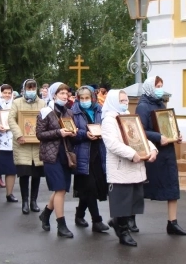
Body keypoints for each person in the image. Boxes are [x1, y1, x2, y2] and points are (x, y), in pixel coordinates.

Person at [101, 89, 158, 247]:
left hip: (136, 165)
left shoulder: (129, 116)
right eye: (121, 100)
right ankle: (123, 231)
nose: (125, 102)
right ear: (113, 101)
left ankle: (118, 223)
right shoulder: (109, 120)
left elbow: (140, 137)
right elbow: (112, 143)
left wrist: (152, 149)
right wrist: (132, 153)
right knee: (122, 201)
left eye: (126, 100)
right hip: (121, 167)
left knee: (133, 200)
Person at [135, 76, 186, 235]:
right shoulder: (143, 106)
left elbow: (168, 125)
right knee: (142, 189)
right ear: (150, 87)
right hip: (153, 153)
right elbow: (140, 130)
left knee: (172, 187)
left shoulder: (161, 104)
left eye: (161, 85)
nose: (160, 89)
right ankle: (128, 218)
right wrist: (159, 137)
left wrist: (175, 135)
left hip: (168, 153)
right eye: (157, 86)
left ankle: (172, 222)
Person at [36, 82, 76, 238]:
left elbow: (71, 132)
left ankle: (46, 214)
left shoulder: (69, 113)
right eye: (61, 94)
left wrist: (73, 133)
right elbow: (40, 135)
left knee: (62, 189)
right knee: (59, 189)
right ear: (54, 95)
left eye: (67, 94)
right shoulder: (45, 112)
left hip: (65, 155)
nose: (65, 97)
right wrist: (59, 132)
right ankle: (61, 225)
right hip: (51, 155)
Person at [71, 86, 109, 232]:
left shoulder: (99, 110)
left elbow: (105, 126)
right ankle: (96, 221)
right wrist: (84, 134)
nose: (85, 101)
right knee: (90, 187)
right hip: (83, 154)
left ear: (92, 98)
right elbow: (72, 132)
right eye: (82, 98)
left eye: (87, 98)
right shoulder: (74, 112)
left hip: (98, 152)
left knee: (90, 189)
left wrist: (101, 133)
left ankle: (79, 214)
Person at [9, 79, 45, 214]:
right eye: (28, 88)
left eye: (33, 88)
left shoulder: (42, 103)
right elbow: (11, 119)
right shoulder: (17, 102)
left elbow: (46, 119)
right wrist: (19, 134)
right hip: (22, 144)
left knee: (36, 174)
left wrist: (41, 134)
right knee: (24, 174)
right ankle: (25, 201)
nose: (31, 90)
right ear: (24, 89)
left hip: (37, 144)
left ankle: (33, 201)